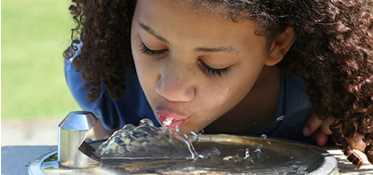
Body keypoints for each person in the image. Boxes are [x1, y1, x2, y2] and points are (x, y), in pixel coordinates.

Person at [63, 0, 373, 166]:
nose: (171, 89)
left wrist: (359, 114)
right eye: (152, 47)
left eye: (213, 66)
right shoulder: (106, 85)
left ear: (277, 45)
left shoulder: (329, 89)